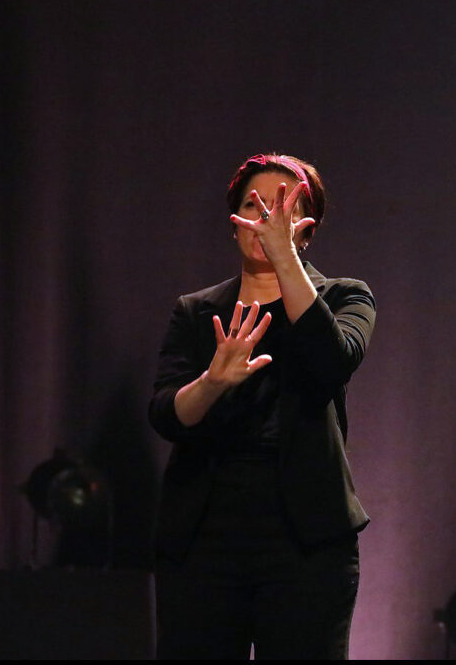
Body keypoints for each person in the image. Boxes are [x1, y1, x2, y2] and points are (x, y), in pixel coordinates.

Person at [148, 153, 375, 659]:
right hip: (204, 531)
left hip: (306, 535)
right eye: (253, 206)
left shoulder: (346, 297)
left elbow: (331, 363)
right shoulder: (196, 311)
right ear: (233, 225)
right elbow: (166, 414)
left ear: (307, 229)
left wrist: (284, 257)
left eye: (282, 209)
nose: (266, 220)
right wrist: (212, 382)